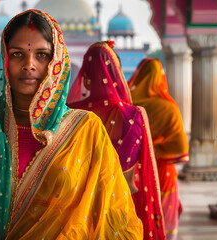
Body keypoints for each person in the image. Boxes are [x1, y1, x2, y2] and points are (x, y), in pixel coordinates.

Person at [0, 10, 143, 240]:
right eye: (17, 54)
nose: (29, 64)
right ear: (4, 59)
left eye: (41, 55)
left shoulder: (86, 129)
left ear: (57, 62)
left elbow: (114, 221)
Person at [67, 41, 165, 240]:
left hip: (76, 218)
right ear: (119, 77)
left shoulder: (70, 115)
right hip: (122, 212)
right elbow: (145, 174)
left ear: (85, 80)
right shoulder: (135, 116)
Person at [128, 58, 189, 240]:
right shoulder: (168, 107)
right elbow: (180, 147)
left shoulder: (129, 106)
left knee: (138, 215)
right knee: (164, 220)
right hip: (162, 170)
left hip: (134, 171)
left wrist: (144, 149)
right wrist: (155, 149)